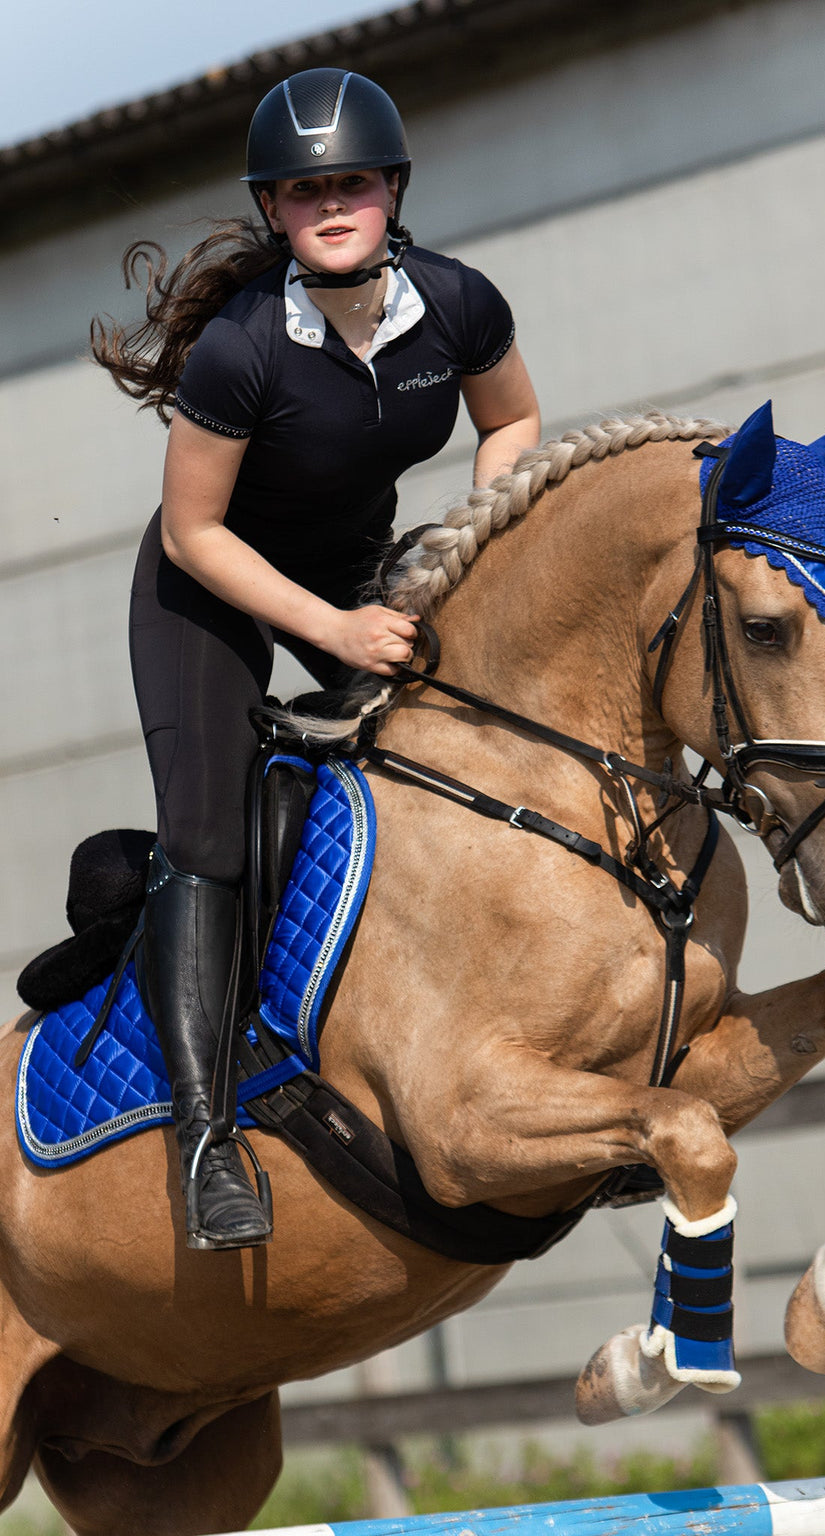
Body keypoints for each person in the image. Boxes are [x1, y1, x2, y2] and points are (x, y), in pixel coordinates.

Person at [92, 67, 541, 1252]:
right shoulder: (239, 353)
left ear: (392, 188)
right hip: (211, 591)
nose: (331, 204)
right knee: (205, 837)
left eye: (350, 182)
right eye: (304, 190)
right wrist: (338, 633)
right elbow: (195, 533)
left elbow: (513, 423)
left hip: (352, 567)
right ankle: (203, 1141)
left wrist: (472, 542)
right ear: (274, 211)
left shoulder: (458, 305)